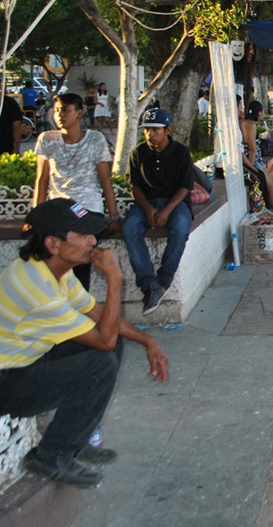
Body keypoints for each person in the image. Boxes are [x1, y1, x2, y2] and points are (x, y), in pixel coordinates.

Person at [0, 198, 168, 488]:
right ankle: (51, 454)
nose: (93, 241)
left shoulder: (52, 270)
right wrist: (114, 278)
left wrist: (148, 340)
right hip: (7, 383)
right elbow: (103, 339)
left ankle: (74, 441)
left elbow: (99, 315)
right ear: (53, 244)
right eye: (84, 235)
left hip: (28, 364)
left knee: (111, 344)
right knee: (101, 360)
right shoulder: (36, 287)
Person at [32, 92, 122, 290]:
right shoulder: (47, 139)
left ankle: (80, 310)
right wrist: (35, 216)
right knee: (51, 255)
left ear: (79, 113)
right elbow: (42, 179)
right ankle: (56, 308)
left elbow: (105, 181)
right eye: (56, 111)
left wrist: (113, 216)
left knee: (80, 254)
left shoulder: (95, 140)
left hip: (86, 210)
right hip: (58, 209)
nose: (60, 115)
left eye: (65, 110)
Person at [122, 108, 195, 315]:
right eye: (146, 130)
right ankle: (148, 283)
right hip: (147, 203)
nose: (150, 134)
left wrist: (166, 211)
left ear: (167, 130)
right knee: (129, 228)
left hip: (175, 203)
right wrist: (147, 209)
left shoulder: (180, 152)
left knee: (180, 228)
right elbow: (134, 186)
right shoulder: (138, 152)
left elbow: (185, 187)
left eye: (155, 130)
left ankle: (163, 282)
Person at [240, 99, 273, 213]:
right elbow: (252, 149)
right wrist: (252, 169)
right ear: (259, 113)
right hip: (255, 161)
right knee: (272, 187)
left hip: (256, 161)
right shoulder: (250, 125)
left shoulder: (247, 124)